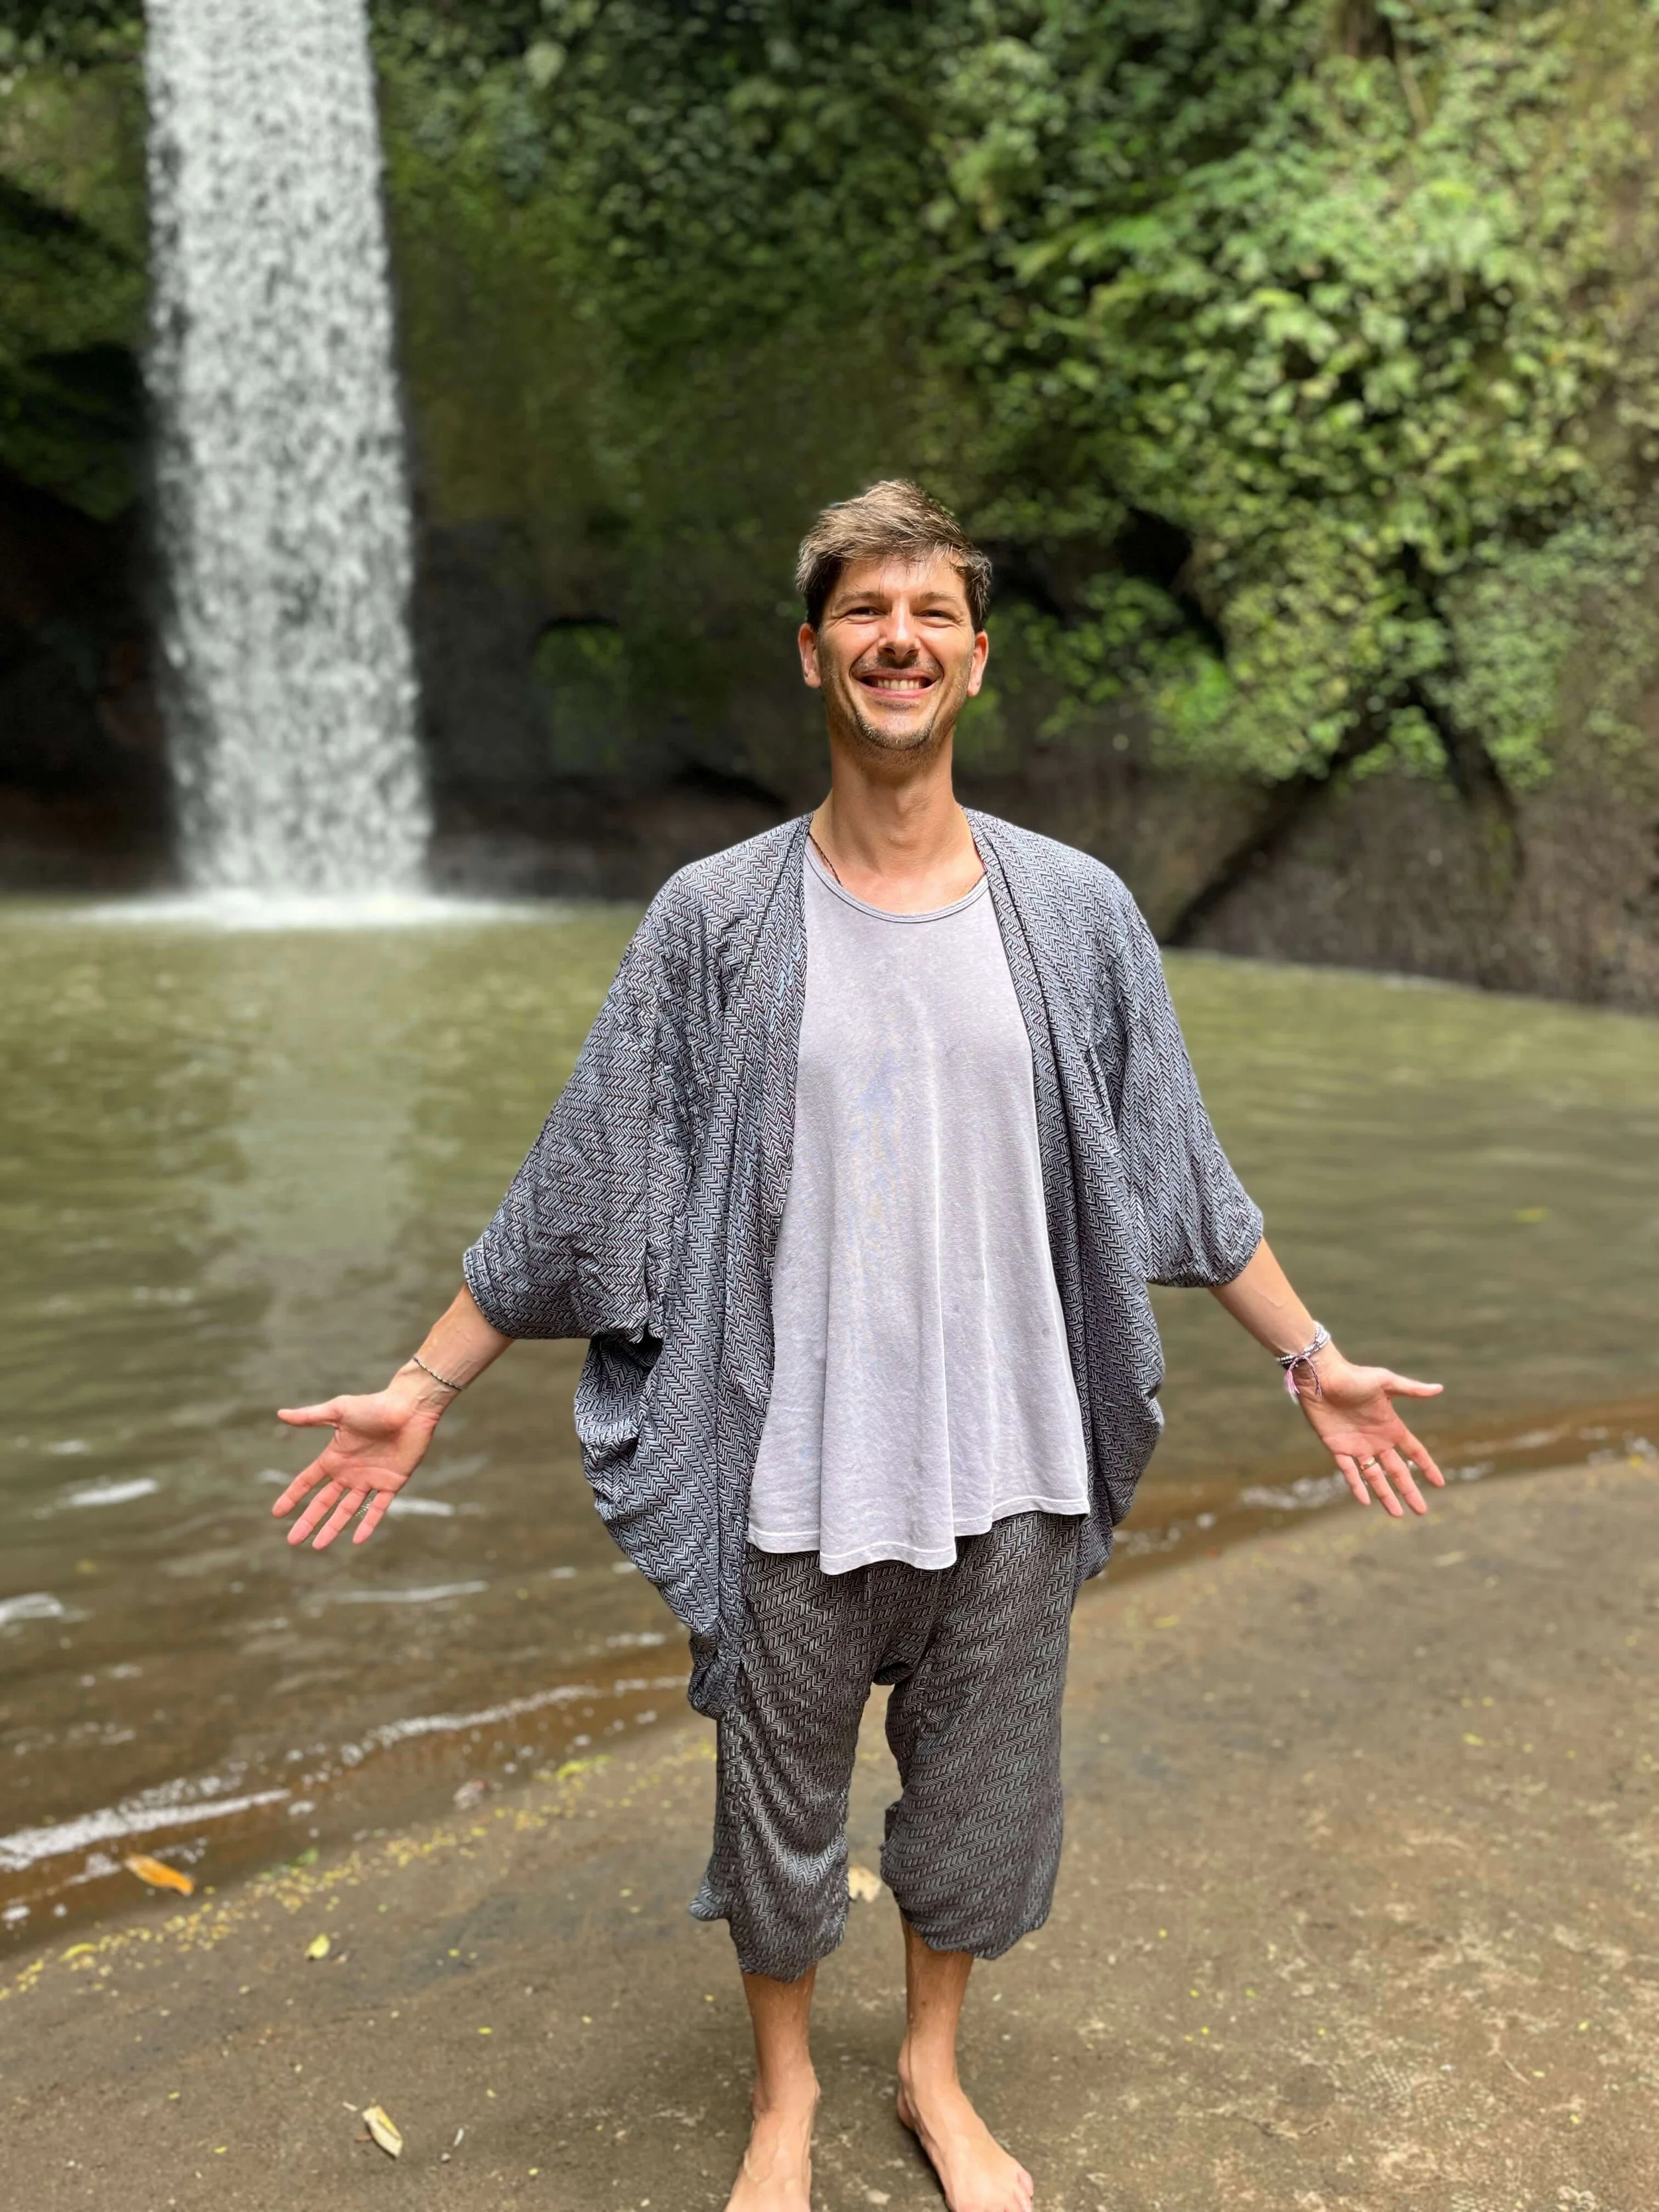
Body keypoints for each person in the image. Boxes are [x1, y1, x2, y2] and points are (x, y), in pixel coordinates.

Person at [273, 480, 1446, 2212]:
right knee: (775, 1820)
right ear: (812, 652)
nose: (896, 640)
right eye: (862, 611)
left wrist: (1306, 1356)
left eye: (931, 614)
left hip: (1013, 1463)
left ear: (974, 660)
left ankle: (929, 2073)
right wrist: (426, 1383)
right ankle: (777, 2102)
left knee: (976, 1809)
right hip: (790, 1466)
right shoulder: (715, 922)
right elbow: (587, 1178)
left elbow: (1174, 1174)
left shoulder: (1075, 915)